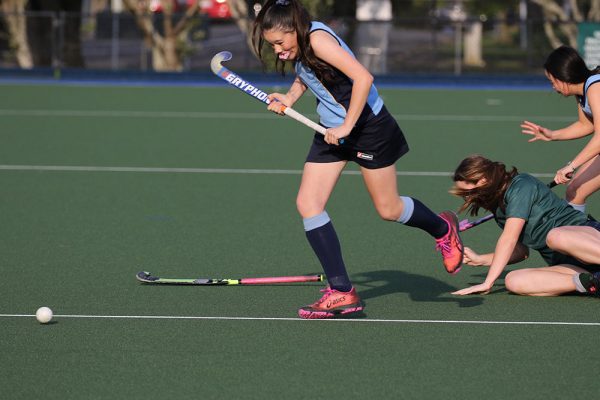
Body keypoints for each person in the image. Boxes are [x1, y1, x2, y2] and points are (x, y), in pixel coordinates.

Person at [252, 0, 464, 319]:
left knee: (388, 209)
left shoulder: (319, 40)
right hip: (330, 128)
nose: (278, 51)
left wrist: (348, 126)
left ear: (295, 29)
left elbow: (363, 78)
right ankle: (342, 291)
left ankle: (442, 227)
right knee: (309, 203)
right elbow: (308, 73)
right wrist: (290, 98)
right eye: (273, 46)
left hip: (368, 128)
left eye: (280, 43)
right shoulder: (302, 48)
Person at [450, 154, 600, 297]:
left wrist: (488, 282)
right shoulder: (499, 207)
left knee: (556, 237)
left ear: (482, 180)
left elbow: (508, 239)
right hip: (569, 264)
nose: (466, 197)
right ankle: (592, 282)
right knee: (514, 280)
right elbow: (521, 251)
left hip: (589, 242)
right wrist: (481, 259)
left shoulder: (521, 185)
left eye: (466, 192)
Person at [521, 45, 600, 214]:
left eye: (552, 82)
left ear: (563, 77)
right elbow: (586, 125)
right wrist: (552, 135)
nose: (553, 87)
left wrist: (571, 166)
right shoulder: (584, 91)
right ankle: (576, 237)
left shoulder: (595, 88)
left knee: (575, 189)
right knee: (574, 191)